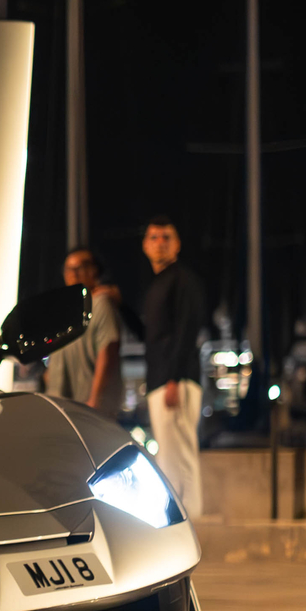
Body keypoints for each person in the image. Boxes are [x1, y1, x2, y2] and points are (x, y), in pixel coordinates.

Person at [137, 217, 208, 520]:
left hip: (174, 381)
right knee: (168, 454)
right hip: (162, 380)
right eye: (154, 237)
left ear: (177, 244)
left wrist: (173, 379)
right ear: (145, 245)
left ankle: (189, 520)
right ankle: (181, 519)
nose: (160, 242)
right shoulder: (157, 284)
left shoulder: (182, 280)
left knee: (179, 455)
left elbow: (186, 330)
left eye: (166, 237)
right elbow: (149, 336)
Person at [41, 246, 123, 411]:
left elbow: (107, 352)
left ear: (94, 271)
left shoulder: (100, 304)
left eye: (80, 268)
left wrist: (95, 399)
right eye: (69, 269)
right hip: (61, 404)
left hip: (89, 406)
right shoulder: (63, 313)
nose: (73, 273)